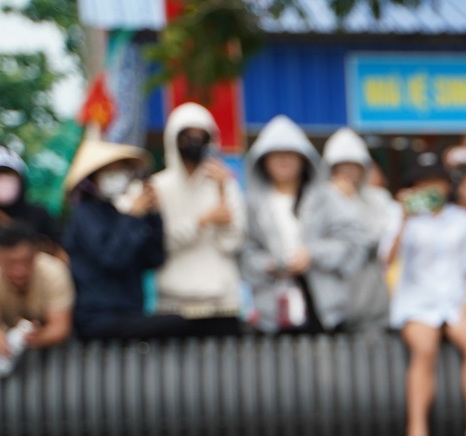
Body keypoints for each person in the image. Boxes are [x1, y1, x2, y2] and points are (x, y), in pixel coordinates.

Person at [383, 160, 466, 436]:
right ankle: (417, 435)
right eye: (424, 183)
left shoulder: (463, 220)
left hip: (457, 302)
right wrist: (403, 219)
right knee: (424, 349)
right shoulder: (401, 217)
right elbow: (387, 259)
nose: (433, 189)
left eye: (438, 182)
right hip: (416, 303)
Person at [242, 115, 380, 334]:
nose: (283, 161)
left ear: (304, 159)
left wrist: (312, 254)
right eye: (275, 155)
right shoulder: (251, 205)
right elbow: (244, 251)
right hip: (272, 311)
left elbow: (354, 240)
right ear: (263, 161)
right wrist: (270, 264)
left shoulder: (327, 198)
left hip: (326, 309)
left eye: (290, 154)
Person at [59, 138, 177, 342]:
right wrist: (133, 217)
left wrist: (154, 215)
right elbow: (112, 258)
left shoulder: (118, 214)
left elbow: (154, 258)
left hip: (129, 313)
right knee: (177, 323)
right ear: (93, 179)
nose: (118, 176)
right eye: (110, 171)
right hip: (98, 317)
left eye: (122, 170)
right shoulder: (84, 215)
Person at [151, 103, 247, 335]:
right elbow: (159, 243)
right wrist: (202, 221)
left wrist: (223, 190)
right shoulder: (157, 187)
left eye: (200, 136)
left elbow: (232, 243)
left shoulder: (226, 184)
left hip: (221, 302)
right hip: (172, 302)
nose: (194, 142)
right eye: (187, 136)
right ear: (173, 139)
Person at [0, 224, 72, 376]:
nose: (19, 271)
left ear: (36, 254)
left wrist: (40, 337)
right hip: (2, 334)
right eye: (10, 263)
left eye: (26, 261)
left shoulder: (54, 271)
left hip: (44, 335)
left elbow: (60, 327)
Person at [321, 128, 393, 333]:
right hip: (331, 295)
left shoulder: (378, 199)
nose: (349, 174)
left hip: (371, 295)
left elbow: (376, 239)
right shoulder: (317, 201)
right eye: (343, 168)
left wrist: (349, 202)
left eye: (355, 167)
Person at [0, 146, 62, 262]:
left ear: (21, 180)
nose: (3, 181)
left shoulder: (39, 214)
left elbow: (62, 245)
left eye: (9, 174)